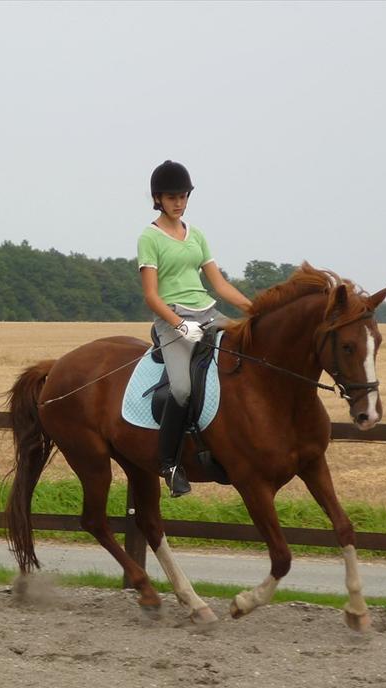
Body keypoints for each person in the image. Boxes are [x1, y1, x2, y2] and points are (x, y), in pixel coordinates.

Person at [138, 159, 253, 497]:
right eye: (172, 197)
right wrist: (179, 325)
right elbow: (151, 295)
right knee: (182, 390)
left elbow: (219, 284)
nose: (179, 202)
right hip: (172, 319)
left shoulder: (196, 235)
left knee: (249, 354)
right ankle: (170, 464)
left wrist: (255, 310)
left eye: (183, 196)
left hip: (208, 312)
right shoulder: (149, 238)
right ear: (158, 199)